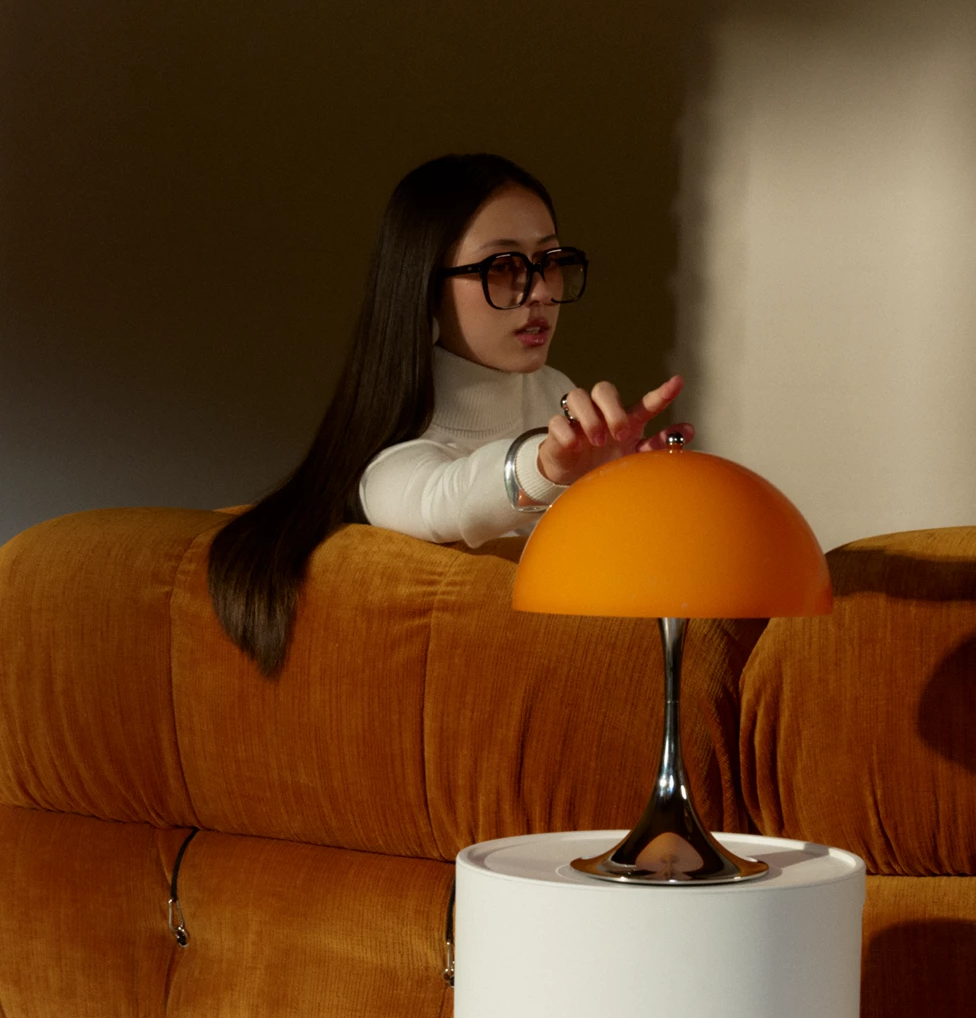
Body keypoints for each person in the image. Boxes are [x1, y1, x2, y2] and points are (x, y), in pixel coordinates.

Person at [207, 152, 691, 677]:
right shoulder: (388, 464)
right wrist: (546, 467)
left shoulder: (553, 389)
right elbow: (445, 498)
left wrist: (617, 488)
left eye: (550, 260)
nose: (541, 291)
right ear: (425, 288)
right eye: (502, 267)